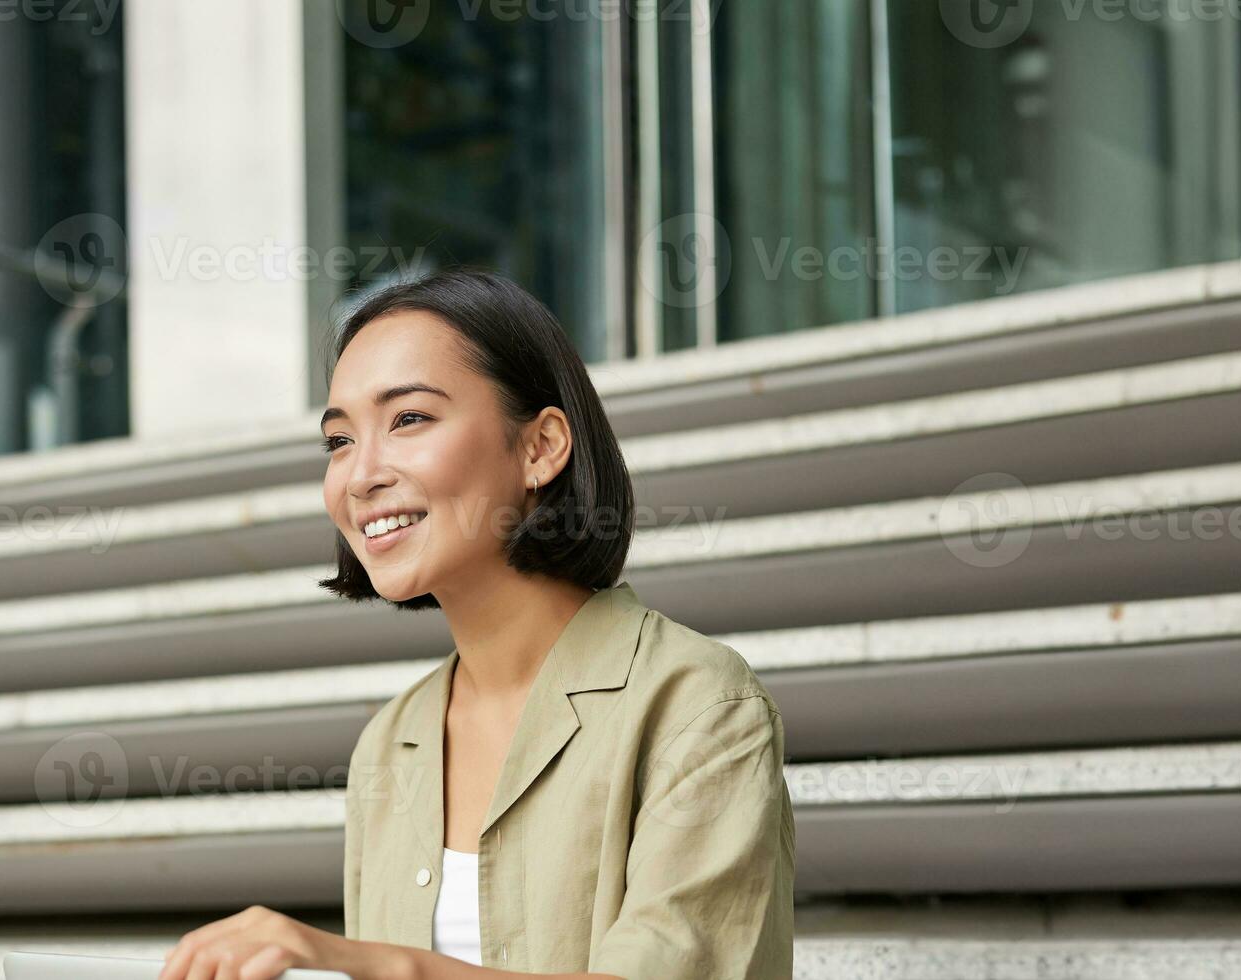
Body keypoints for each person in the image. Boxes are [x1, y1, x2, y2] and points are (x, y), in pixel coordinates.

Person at [158, 270, 795, 980]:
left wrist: (379, 966)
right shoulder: (393, 740)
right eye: (339, 440)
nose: (360, 474)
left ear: (541, 447)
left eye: (409, 419)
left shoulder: (698, 707)